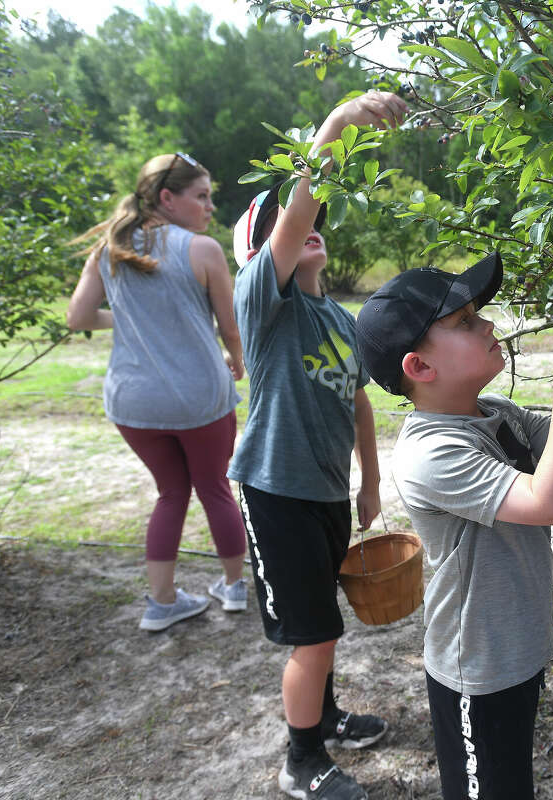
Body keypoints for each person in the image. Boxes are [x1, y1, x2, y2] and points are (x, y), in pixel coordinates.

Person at [353, 261, 553, 799]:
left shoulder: (494, 411)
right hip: (475, 668)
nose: (485, 325)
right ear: (419, 365)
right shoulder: (430, 453)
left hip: (518, 647)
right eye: (463, 322)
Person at [229, 90, 408, 800]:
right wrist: (333, 128)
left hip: (329, 491)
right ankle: (301, 761)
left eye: (307, 223)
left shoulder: (338, 316)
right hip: (277, 493)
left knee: (323, 626)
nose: (304, 227)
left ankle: (325, 717)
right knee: (313, 634)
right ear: (260, 251)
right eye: (282, 228)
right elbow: (298, 208)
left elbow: (359, 399)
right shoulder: (265, 306)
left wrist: (369, 484)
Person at [67, 152, 248, 632]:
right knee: (215, 489)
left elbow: (78, 318)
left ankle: (162, 603)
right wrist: (237, 360)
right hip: (199, 398)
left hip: (133, 402)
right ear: (168, 198)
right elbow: (230, 328)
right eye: (202, 196)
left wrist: (125, 318)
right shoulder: (203, 249)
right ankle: (233, 588)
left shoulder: (108, 249)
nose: (210, 206)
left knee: (170, 494)